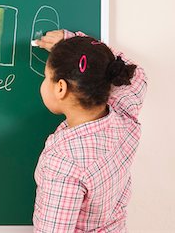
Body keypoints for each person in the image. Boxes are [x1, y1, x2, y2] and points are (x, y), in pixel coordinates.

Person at [33, 29, 147, 232]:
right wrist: (72, 43)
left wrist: (71, 40)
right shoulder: (124, 116)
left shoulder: (64, 163)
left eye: (45, 77)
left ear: (61, 88)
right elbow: (136, 74)